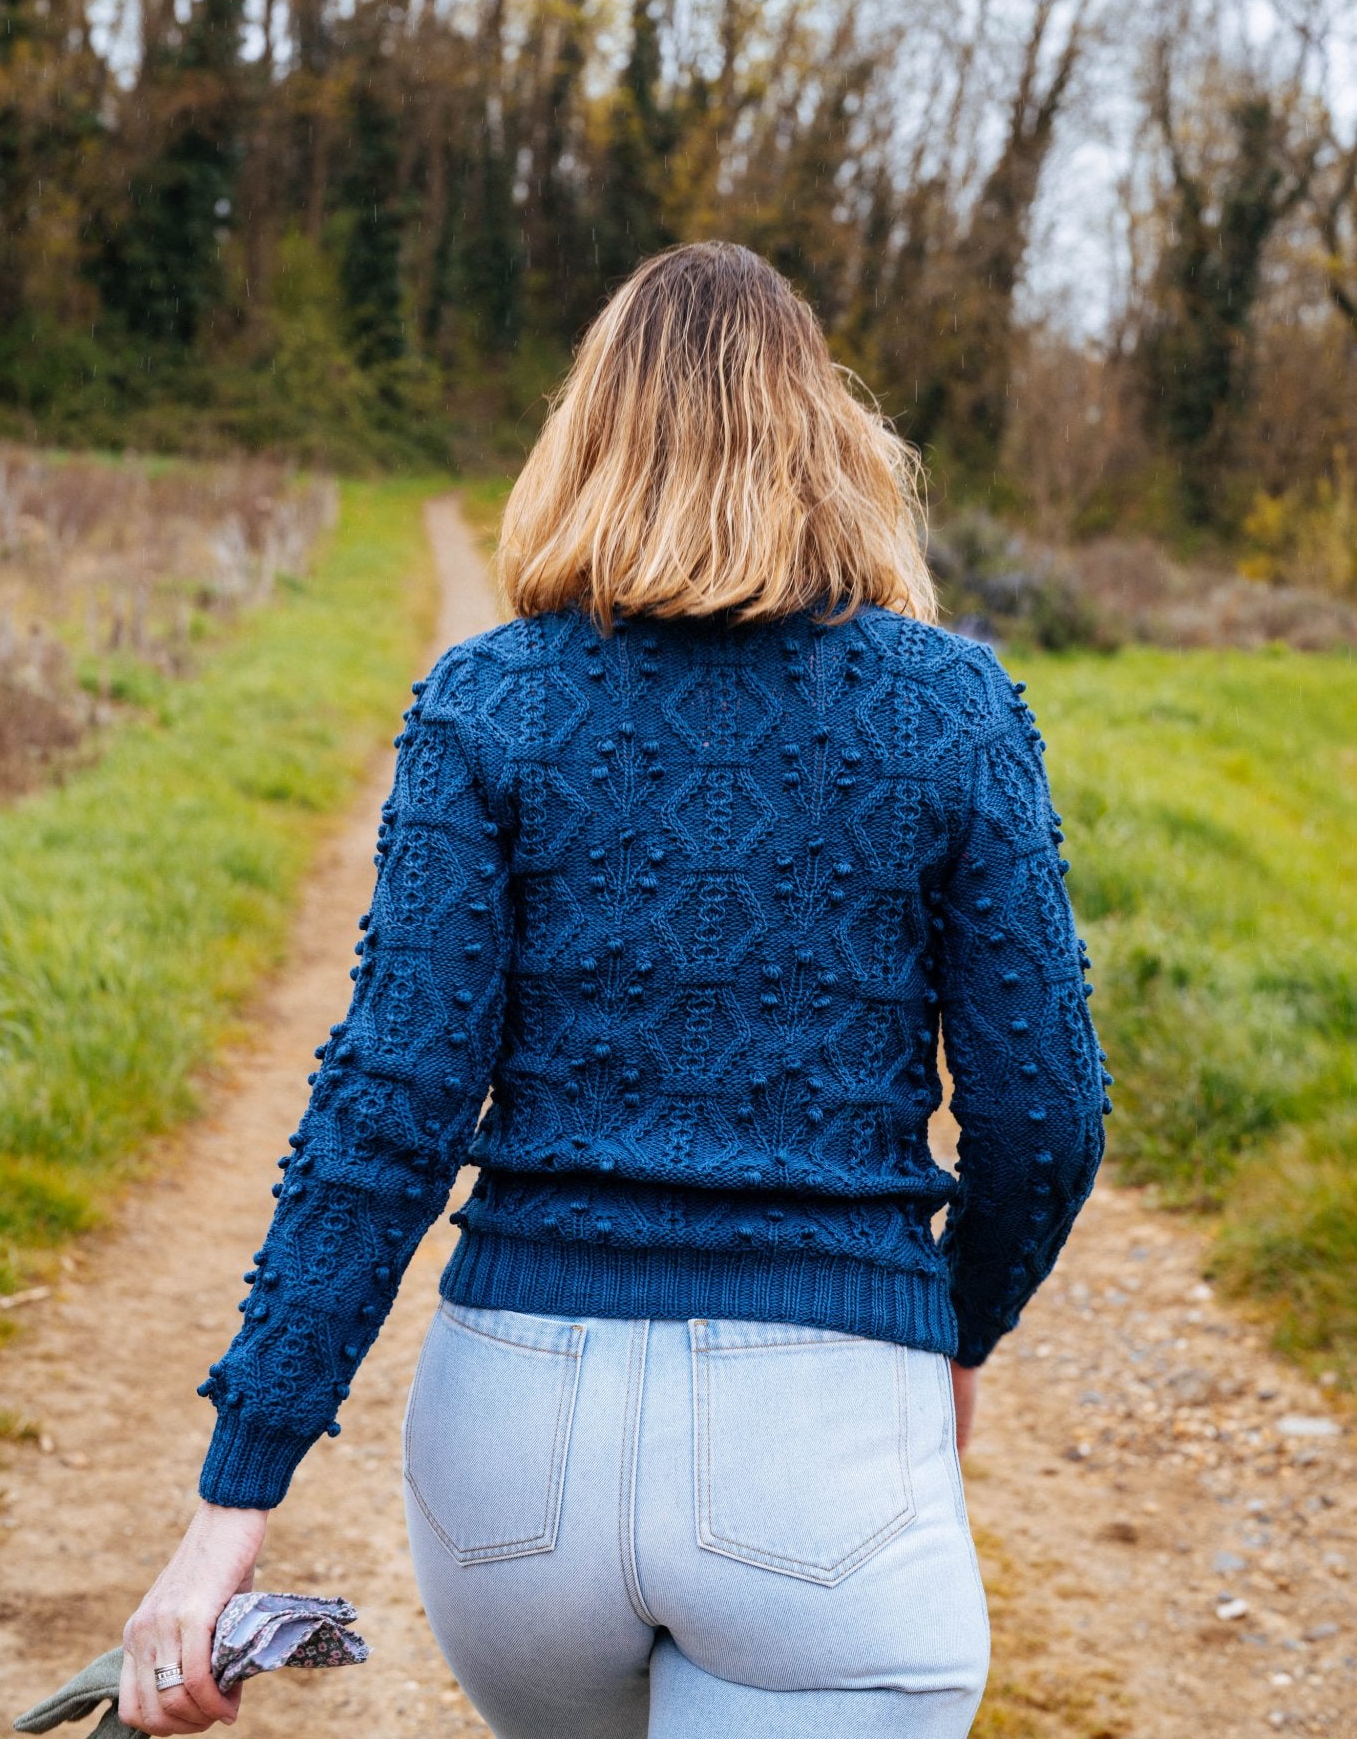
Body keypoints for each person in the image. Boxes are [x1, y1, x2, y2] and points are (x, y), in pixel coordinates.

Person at [122, 243, 1108, 1739]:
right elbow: (1046, 1122)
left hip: (513, 1468)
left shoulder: (486, 701)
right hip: (820, 1448)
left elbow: (387, 1114)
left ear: (581, 439)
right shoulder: (949, 708)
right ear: (830, 442)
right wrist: (946, 1329)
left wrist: (227, 1509)